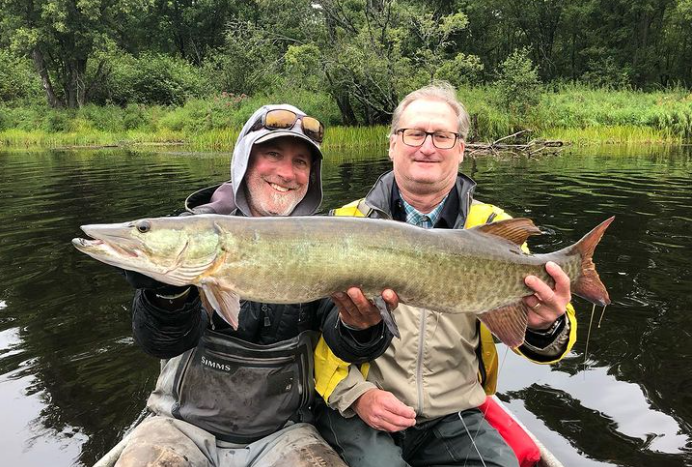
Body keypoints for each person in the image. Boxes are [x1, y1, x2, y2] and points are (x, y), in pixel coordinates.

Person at [115, 104, 397, 467]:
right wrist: (165, 295)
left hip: (284, 431)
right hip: (180, 425)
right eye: (273, 154)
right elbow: (160, 342)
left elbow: (348, 348)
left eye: (301, 162)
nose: (286, 173)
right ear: (245, 161)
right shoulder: (196, 230)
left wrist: (362, 327)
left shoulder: (328, 241)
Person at [313, 83, 578, 467]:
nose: (427, 146)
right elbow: (314, 334)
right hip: (363, 407)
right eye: (415, 133)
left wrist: (545, 323)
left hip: (455, 413)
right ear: (392, 144)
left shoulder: (491, 226)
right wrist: (355, 395)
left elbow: (535, 337)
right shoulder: (344, 224)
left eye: (442, 136)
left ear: (461, 149)